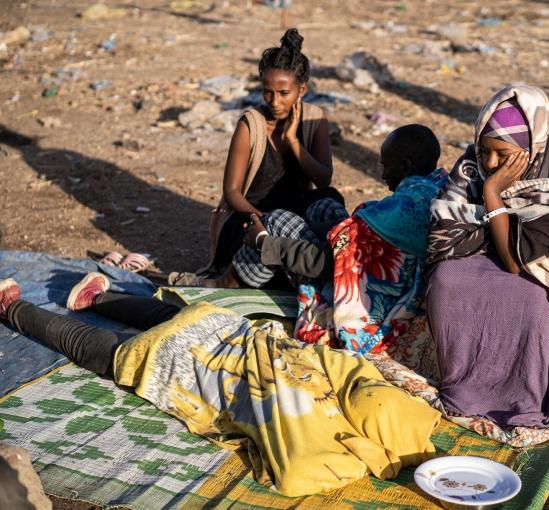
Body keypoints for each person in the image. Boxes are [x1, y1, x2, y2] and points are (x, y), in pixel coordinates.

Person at [0, 273, 441, 496]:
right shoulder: (325, 453)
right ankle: (13, 308)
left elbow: (364, 384)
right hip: (181, 364)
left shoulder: (362, 384)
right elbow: (292, 476)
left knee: (173, 319)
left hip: (230, 333)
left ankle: (96, 296)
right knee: (97, 347)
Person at [427, 85, 549, 428]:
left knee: (533, 300)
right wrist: (495, 215)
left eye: (503, 154)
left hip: (531, 269)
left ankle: (518, 398)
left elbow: (514, 261)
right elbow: (441, 238)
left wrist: (492, 195)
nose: (491, 163)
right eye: (485, 151)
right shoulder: (468, 171)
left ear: (532, 149)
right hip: (485, 260)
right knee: (445, 281)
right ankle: (462, 389)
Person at [172, 28, 342, 288]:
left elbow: (323, 179)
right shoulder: (250, 124)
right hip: (248, 221)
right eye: (268, 92)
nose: (275, 102)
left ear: (302, 89)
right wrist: (261, 219)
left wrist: (294, 142)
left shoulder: (314, 120)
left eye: (283, 93)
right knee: (276, 243)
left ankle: (327, 268)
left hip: (292, 216)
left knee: (330, 200)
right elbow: (231, 192)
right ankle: (240, 275)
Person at [291, 125, 447, 354]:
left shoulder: (406, 209)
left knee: (280, 222)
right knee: (326, 204)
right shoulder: (439, 186)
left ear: (406, 166)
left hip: (370, 300)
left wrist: (263, 242)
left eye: (386, 165)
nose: (383, 174)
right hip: (388, 278)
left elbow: (330, 257)